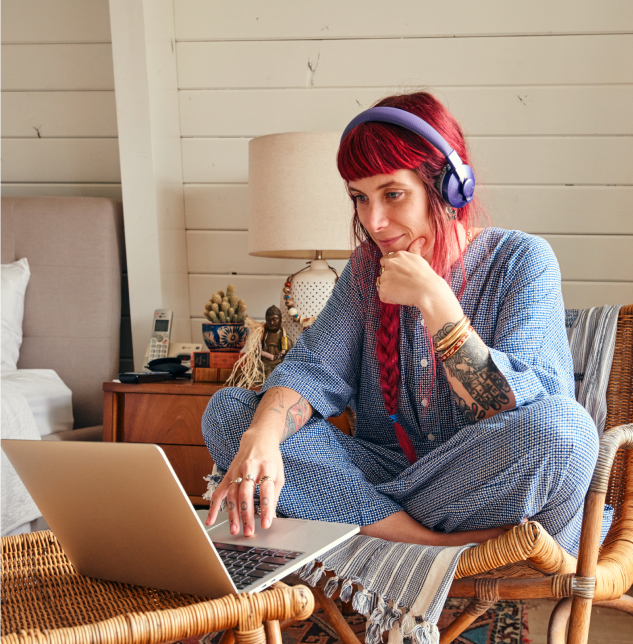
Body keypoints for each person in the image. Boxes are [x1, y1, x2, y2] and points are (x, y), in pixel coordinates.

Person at [202, 91, 603, 556]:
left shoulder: (522, 260)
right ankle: (425, 540)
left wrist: (434, 300)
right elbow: (311, 370)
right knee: (232, 413)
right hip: (383, 473)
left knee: (564, 431)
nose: (374, 220)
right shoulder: (364, 271)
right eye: (359, 198)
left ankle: (358, 517)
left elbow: (521, 409)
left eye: (393, 194)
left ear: (451, 188)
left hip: (478, 481)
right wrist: (261, 438)